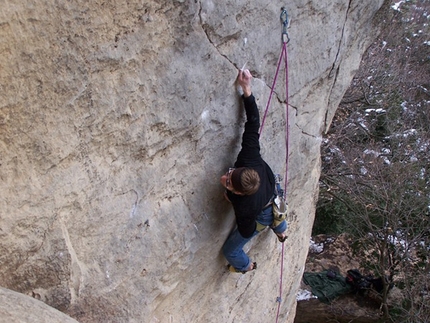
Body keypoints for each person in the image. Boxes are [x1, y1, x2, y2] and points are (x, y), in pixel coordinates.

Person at [220, 68, 288, 274]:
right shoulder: (250, 155)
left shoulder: (245, 206)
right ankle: (282, 230)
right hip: (273, 191)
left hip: (262, 212)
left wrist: (232, 201)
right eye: (230, 174)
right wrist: (247, 88)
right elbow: (253, 122)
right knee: (277, 204)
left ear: (239, 194)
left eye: (229, 183)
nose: (224, 177)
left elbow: (247, 230)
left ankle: (245, 265)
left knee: (230, 250)